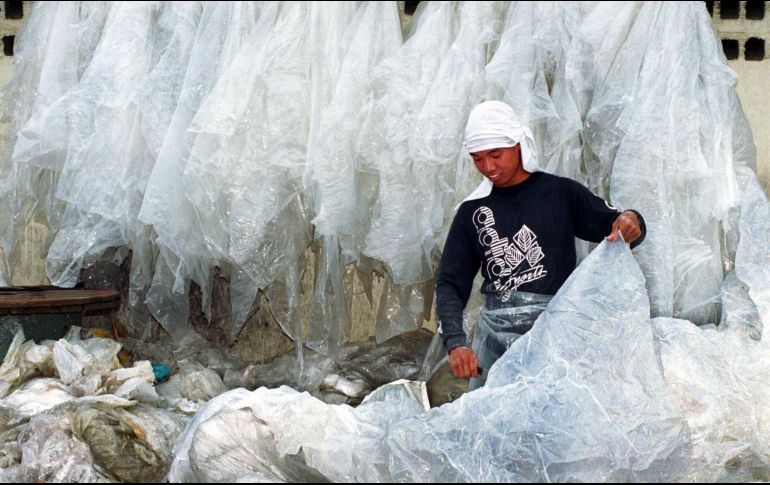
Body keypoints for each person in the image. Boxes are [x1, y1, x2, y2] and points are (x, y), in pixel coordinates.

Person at [436, 100, 646, 384]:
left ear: (518, 145)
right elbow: (450, 283)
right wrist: (456, 342)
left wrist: (632, 220)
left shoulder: (559, 194)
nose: (488, 167)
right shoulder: (472, 212)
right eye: (477, 159)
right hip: (494, 348)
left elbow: (617, 225)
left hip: (554, 340)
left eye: (495, 154)